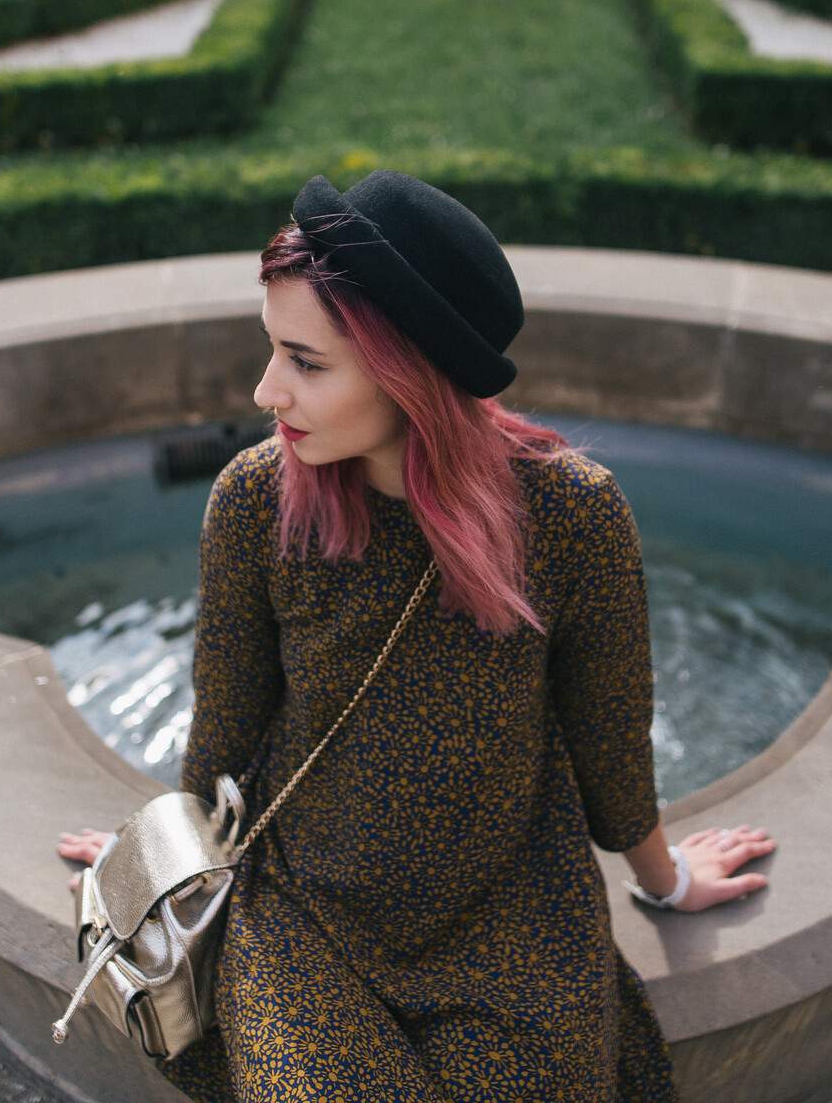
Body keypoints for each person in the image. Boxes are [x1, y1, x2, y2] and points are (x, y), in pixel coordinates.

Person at [58, 170, 777, 1101]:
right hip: (306, 910)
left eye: (305, 362)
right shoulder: (256, 497)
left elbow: (608, 737)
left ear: (412, 374)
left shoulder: (570, 515)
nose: (265, 389)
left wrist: (664, 879)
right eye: (273, 349)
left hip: (508, 909)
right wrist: (162, 857)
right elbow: (228, 722)